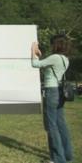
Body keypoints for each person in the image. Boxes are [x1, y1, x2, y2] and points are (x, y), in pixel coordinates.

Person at [31, 35, 73, 163]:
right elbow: (47, 65)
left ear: (56, 44)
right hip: (59, 92)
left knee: (51, 125)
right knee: (61, 124)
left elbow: (35, 64)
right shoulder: (65, 59)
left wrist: (33, 50)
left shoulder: (54, 57)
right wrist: (39, 54)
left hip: (51, 92)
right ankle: (67, 155)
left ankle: (58, 159)